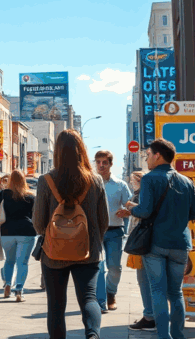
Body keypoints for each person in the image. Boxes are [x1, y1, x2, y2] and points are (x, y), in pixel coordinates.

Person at [117, 139, 195, 339]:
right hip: (180, 243)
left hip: (155, 243)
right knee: (176, 293)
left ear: (158, 156)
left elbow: (144, 211)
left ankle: (164, 336)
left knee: (158, 291)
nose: (146, 159)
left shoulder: (149, 179)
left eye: (148, 155)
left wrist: (130, 208)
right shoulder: (186, 181)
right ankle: (178, 336)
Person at [33, 129, 109, 339]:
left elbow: (39, 222)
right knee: (89, 298)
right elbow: (104, 220)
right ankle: (93, 335)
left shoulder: (45, 180)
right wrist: (92, 241)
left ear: (57, 151)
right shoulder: (95, 180)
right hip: (88, 252)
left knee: (56, 305)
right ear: (81, 151)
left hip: (53, 253)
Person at [0, 169, 37, 302]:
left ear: (10, 180)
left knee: (9, 261)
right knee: (22, 262)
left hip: (7, 231)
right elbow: (35, 215)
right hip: (26, 231)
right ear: (24, 180)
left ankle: (8, 284)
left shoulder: (3, 194)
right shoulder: (30, 196)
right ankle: (19, 291)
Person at [94, 150, 132, 312]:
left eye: (105, 162)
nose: (101, 165)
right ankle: (100, 301)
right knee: (99, 267)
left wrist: (127, 211)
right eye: (98, 162)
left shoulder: (120, 184)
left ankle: (111, 293)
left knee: (115, 268)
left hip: (115, 231)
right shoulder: (90, 183)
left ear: (110, 164)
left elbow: (129, 204)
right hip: (95, 232)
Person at [126, 171, 156, 332]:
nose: (132, 183)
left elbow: (145, 211)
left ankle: (150, 316)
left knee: (144, 280)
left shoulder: (143, 194)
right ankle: (152, 315)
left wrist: (130, 207)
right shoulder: (139, 193)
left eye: (134, 180)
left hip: (143, 241)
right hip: (144, 240)